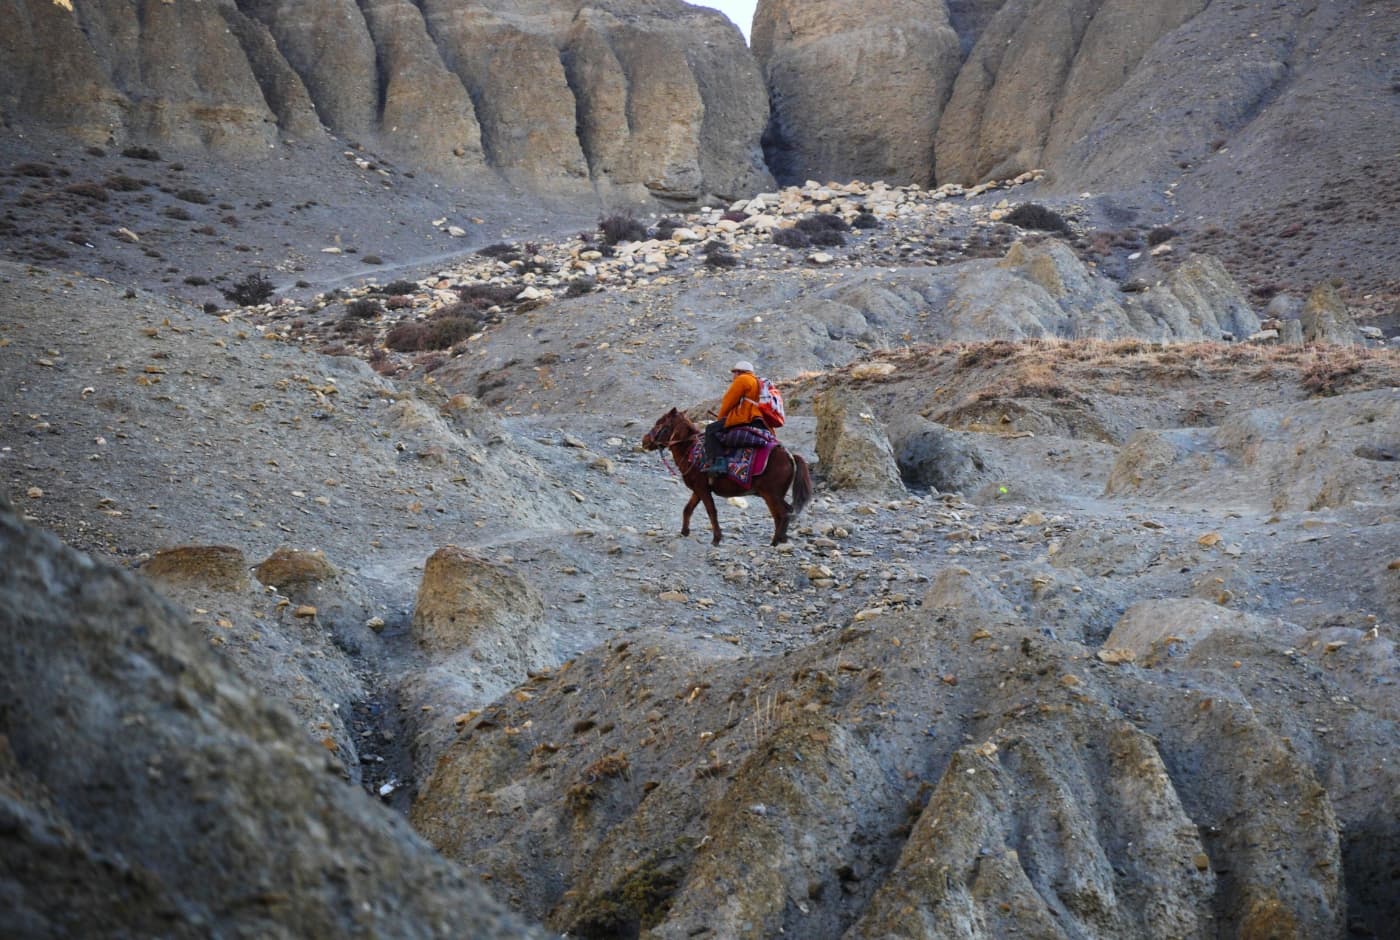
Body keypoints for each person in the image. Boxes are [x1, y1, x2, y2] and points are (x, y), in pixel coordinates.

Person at [705, 360, 770, 476]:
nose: (733, 376)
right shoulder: (757, 381)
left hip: (745, 417)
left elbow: (728, 402)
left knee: (711, 429)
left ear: (738, 372)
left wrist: (721, 418)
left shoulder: (742, 379)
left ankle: (719, 464)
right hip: (759, 419)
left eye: (734, 372)